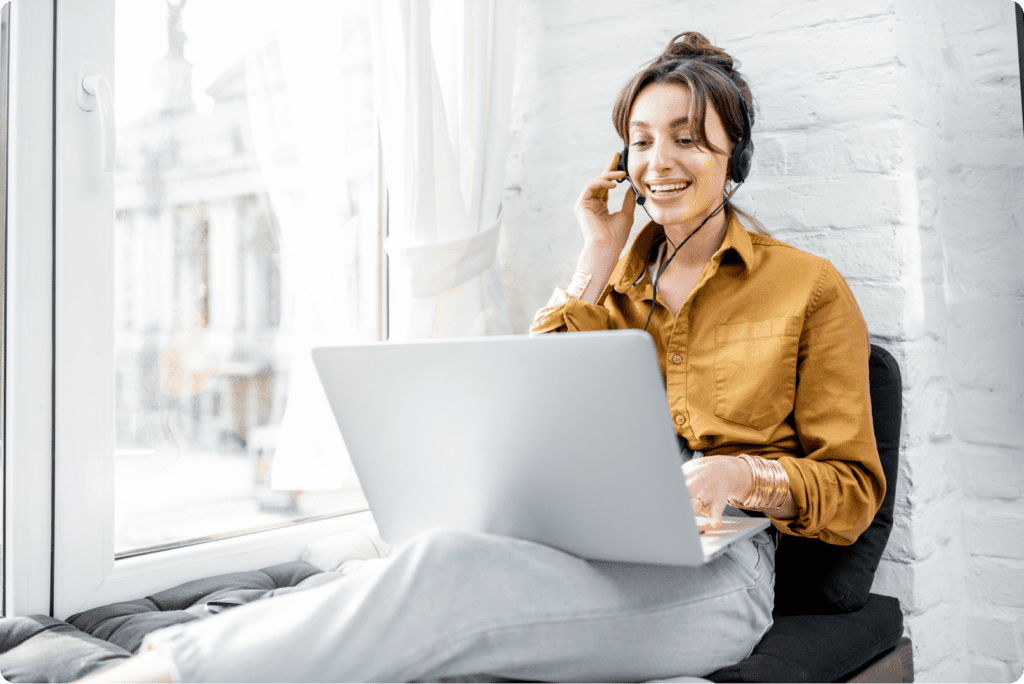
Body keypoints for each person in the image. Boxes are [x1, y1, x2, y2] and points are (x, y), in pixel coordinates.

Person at [79, 31, 885, 684]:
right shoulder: (610, 285)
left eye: (686, 139)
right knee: (428, 556)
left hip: (720, 581)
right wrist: (595, 257)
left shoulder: (807, 288)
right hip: (581, 544)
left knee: (444, 581)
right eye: (640, 142)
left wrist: (738, 475)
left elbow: (852, 492)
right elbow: (529, 419)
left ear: (732, 152)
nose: (658, 162)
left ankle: (162, 675)